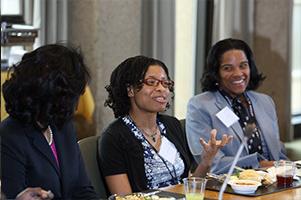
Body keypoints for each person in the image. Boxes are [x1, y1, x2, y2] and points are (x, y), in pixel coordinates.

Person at [98, 55, 232, 195]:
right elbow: (124, 198)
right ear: (130, 90)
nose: (162, 89)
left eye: (165, 83)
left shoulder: (171, 125)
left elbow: (189, 188)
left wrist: (206, 161)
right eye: (151, 82)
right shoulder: (113, 138)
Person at [0, 44, 97, 199]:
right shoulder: (9, 136)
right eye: (73, 95)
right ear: (55, 94)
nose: (77, 103)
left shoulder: (63, 127)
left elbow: (82, 189)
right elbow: (14, 195)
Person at [186, 38, 288, 175]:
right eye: (228, 68)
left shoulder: (265, 102)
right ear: (216, 72)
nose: (238, 73)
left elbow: (278, 153)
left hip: (274, 181)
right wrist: (260, 165)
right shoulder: (200, 106)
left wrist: (290, 169)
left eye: (243, 65)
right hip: (231, 186)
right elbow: (213, 163)